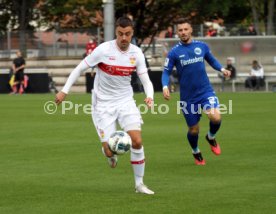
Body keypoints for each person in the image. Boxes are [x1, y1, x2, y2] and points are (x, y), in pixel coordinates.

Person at [55, 17, 154, 194]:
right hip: (103, 104)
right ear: (116, 32)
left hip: (125, 101)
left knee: (137, 141)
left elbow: (146, 80)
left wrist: (150, 97)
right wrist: (64, 91)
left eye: (128, 34)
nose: (124, 38)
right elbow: (79, 69)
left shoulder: (137, 53)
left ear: (132, 33)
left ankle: (139, 184)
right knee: (109, 150)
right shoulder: (103, 50)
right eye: (120, 34)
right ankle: (109, 155)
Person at [162, 18, 231, 165]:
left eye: (185, 29)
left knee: (216, 117)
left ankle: (211, 137)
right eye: (180, 30)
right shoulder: (174, 53)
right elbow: (166, 72)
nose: (183, 32)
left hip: (205, 91)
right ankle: (196, 152)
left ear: (191, 30)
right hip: (188, 97)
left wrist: (222, 69)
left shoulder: (202, 46)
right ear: (177, 33)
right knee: (193, 130)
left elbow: (212, 60)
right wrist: (165, 86)